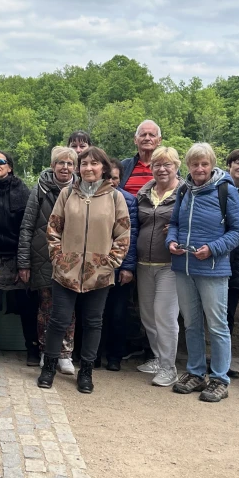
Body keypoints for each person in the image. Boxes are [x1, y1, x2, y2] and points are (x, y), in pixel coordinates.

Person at [38, 146, 130, 394]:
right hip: (66, 271)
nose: (88, 168)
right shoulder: (68, 194)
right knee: (58, 320)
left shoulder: (115, 197)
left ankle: (86, 371)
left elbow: (122, 234)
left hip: (98, 273)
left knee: (93, 322)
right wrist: (58, 258)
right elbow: (53, 228)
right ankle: (49, 366)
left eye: (94, 164)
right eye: (84, 164)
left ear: (104, 168)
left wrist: (110, 262)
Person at [168, 143, 239, 402]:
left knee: (218, 325)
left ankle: (220, 378)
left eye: (204, 164)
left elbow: (238, 232)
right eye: (195, 164)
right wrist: (171, 242)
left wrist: (212, 249)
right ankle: (196, 373)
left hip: (212, 269)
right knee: (192, 324)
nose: (199, 169)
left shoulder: (225, 190)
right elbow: (175, 223)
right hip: (184, 267)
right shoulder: (184, 190)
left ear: (212, 165)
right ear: (188, 166)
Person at [18, 146, 78, 375]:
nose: (65, 167)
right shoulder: (40, 189)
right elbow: (27, 226)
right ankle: (46, 351)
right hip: (43, 258)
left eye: (69, 164)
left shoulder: (81, 190)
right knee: (46, 308)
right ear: (53, 165)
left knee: (69, 309)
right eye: (60, 163)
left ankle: (66, 353)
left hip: (72, 259)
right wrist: (24, 262)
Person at [0, 151, 38, 366]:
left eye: (1, 162)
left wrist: (24, 263)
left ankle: (32, 347)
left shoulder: (23, 190)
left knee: (26, 302)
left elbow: (28, 229)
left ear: (10, 166)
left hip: (17, 254)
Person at [135, 146, 184, 387]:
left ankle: (169, 367)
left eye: (168, 164)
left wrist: (179, 231)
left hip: (170, 265)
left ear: (177, 166)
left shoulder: (186, 193)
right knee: (148, 316)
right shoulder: (144, 193)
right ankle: (157, 358)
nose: (162, 169)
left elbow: (198, 223)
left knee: (165, 316)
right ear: (151, 168)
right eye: (157, 165)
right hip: (144, 262)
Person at [98, 159, 139, 370]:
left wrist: (127, 267)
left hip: (120, 265)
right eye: (108, 177)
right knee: (97, 312)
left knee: (118, 313)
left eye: (115, 178)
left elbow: (131, 236)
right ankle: (94, 354)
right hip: (97, 266)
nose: (112, 181)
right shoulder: (93, 198)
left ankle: (114, 356)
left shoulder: (129, 200)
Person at [120, 120, 162, 196]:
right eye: (143, 135)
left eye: (152, 135)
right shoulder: (124, 166)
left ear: (159, 140)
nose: (147, 138)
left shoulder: (167, 167)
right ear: (135, 140)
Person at [226, 149, 239, 342]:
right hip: (227, 262)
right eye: (237, 162)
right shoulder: (220, 189)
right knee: (226, 314)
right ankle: (223, 360)